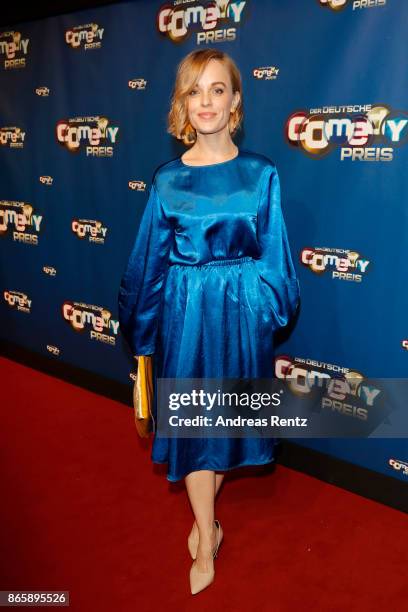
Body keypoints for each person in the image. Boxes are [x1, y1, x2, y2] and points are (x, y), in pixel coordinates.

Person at [118, 48, 300, 595]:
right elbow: (147, 266)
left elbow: (277, 259)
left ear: (235, 100)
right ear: (182, 103)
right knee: (195, 430)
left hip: (242, 318)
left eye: (217, 89)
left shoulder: (260, 173)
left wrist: (262, 314)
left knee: (226, 422)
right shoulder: (167, 181)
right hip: (187, 319)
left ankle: (208, 516)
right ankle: (206, 532)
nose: (206, 102)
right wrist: (143, 344)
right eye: (195, 91)